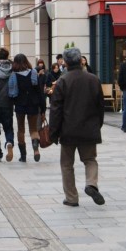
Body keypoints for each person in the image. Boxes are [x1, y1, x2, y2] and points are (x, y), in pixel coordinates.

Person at [49, 48, 106, 207]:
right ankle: (91, 184)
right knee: (90, 160)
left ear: (65, 63)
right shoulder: (93, 79)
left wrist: (54, 132)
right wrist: (97, 125)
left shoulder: (63, 81)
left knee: (67, 164)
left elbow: (56, 110)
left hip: (68, 130)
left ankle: (72, 198)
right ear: (81, 60)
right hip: (89, 128)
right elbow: (100, 106)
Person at [9, 53, 44, 162]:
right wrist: (43, 108)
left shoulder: (13, 75)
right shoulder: (33, 73)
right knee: (33, 129)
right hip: (33, 104)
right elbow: (39, 92)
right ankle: (35, 148)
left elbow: (11, 92)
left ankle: (23, 155)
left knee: (21, 129)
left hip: (20, 105)